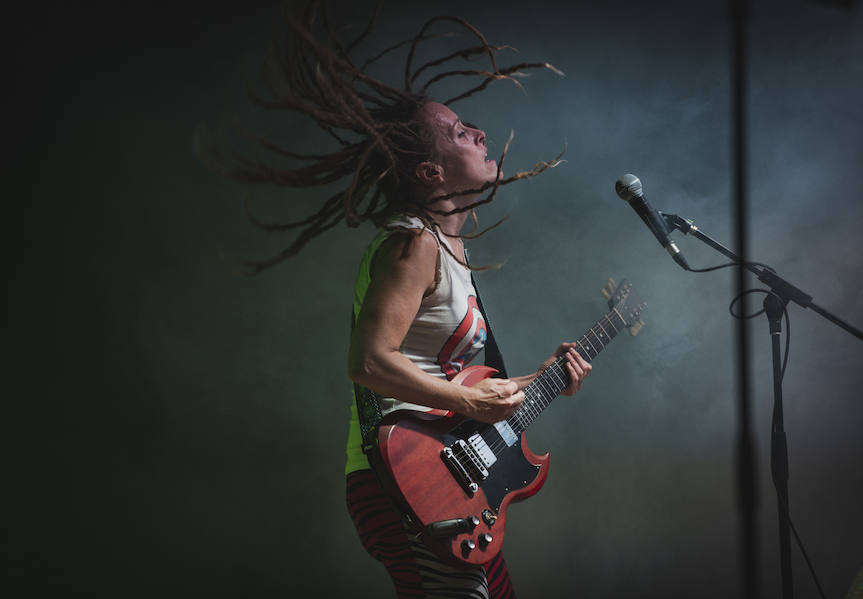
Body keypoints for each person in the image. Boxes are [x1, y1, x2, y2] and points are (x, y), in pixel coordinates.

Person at [200, 4, 591, 597]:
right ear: (431, 172)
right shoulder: (412, 244)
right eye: (460, 131)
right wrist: (470, 398)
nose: (480, 132)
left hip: (439, 478)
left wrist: (538, 379)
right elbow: (370, 361)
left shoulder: (445, 248)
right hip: (401, 480)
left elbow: (454, 385)